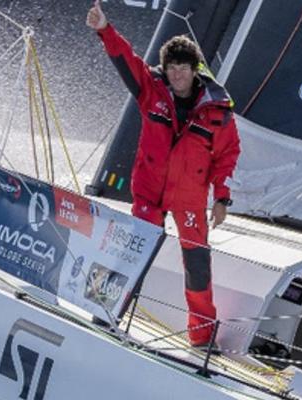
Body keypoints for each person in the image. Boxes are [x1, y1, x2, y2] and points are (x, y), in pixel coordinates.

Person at [87, 0, 241, 349]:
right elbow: (127, 60)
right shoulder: (151, 91)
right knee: (131, 253)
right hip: (149, 193)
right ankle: (103, 313)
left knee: (197, 265)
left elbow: (228, 156)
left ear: (195, 69)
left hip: (189, 198)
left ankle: (202, 337)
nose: (177, 75)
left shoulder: (218, 111)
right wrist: (105, 29)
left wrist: (222, 198)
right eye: (171, 68)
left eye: (183, 68)